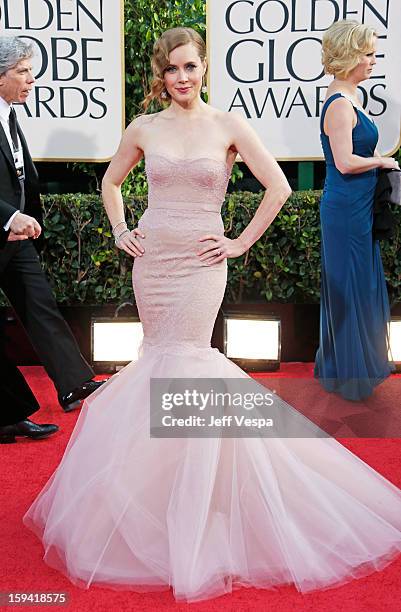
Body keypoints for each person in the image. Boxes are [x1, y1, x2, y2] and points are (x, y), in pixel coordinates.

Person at [24, 27, 401, 603]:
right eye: (173, 68)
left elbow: (277, 187)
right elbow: (111, 181)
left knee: (190, 364)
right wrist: (123, 230)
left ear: (204, 69)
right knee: (157, 362)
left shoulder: (227, 125)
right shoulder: (142, 128)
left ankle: (204, 507)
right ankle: (158, 500)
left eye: (191, 67)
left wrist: (239, 242)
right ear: (161, 74)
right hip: (154, 263)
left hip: (203, 262)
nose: (183, 77)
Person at [0, 35, 104, 428]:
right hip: (7, 226)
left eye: (31, 71)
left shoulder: (9, 111)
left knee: (40, 304)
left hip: (16, 236)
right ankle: (7, 416)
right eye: (22, 71)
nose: (31, 79)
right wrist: (10, 217)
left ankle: (74, 384)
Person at [314, 20, 399, 401]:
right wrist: (382, 162)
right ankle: (348, 377)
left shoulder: (350, 96)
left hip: (358, 207)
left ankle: (350, 369)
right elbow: (345, 162)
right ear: (349, 57)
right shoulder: (338, 104)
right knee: (350, 286)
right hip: (345, 210)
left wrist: (378, 161)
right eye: (368, 54)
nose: (374, 61)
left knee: (359, 284)